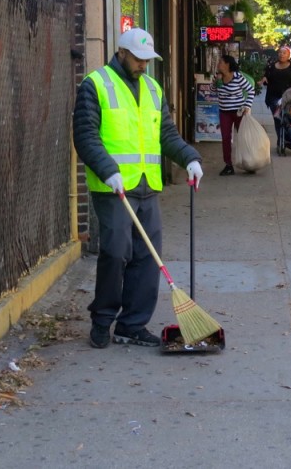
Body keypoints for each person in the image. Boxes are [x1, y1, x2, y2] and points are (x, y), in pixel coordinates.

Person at [73, 28, 204, 349]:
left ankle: (132, 324)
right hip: (114, 187)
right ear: (121, 53)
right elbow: (85, 136)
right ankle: (102, 319)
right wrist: (107, 170)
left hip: (147, 185)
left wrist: (190, 158)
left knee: (147, 257)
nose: (144, 65)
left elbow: (167, 135)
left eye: (148, 60)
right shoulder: (96, 84)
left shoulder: (153, 89)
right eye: (138, 59)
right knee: (117, 252)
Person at [215, 54, 254, 176]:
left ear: (227, 64)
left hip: (238, 111)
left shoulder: (237, 77)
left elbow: (250, 90)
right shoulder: (218, 77)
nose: (218, 64)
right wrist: (215, 82)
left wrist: (247, 106)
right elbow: (212, 90)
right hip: (224, 112)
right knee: (226, 138)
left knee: (243, 137)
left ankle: (249, 163)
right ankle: (228, 165)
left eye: (221, 62)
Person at [260, 45, 291, 134]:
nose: (282, 54)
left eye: (284, 53)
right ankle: (280, 139)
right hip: (274, 97)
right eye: (280, 52)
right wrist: (264, 79)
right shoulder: (272, 66)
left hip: (290, 97)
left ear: (288, 55)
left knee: (290, 116)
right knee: (277, 118)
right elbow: (266, 76)